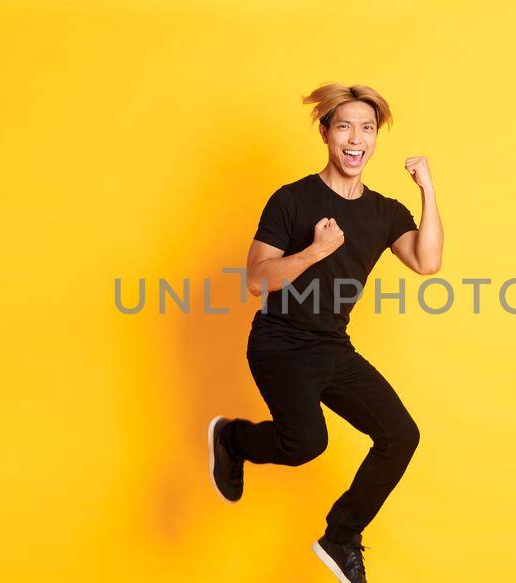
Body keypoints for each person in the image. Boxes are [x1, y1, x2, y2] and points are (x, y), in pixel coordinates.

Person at [208, 82, 443, 583]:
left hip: (333, 348)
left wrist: (428, 188)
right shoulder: (291, 200)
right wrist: (315, 251)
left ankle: (341, 536)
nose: (356, 140)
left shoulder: (385, 212)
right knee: (306, 444)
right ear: (325, 133)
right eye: (344, 127)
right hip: (280, 343)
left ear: (375, 138)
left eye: (367, 129)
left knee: (400, 435)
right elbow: (255, 280)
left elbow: (428, 262)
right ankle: (233, 438)